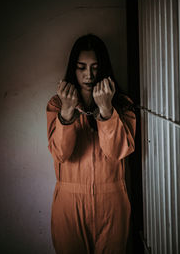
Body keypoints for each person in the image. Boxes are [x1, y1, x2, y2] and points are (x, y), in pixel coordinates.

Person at [46, 34, 136, 254]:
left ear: (103, 68)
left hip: (112, 200)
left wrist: (106, 110)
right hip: (69, 202)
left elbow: (117, 153)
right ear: (72, 68)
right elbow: (60, 153)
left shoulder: (123, 104)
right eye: (81, 67)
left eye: (95, 67)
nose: (89, 75)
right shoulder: (56, 104)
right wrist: (67, 112)